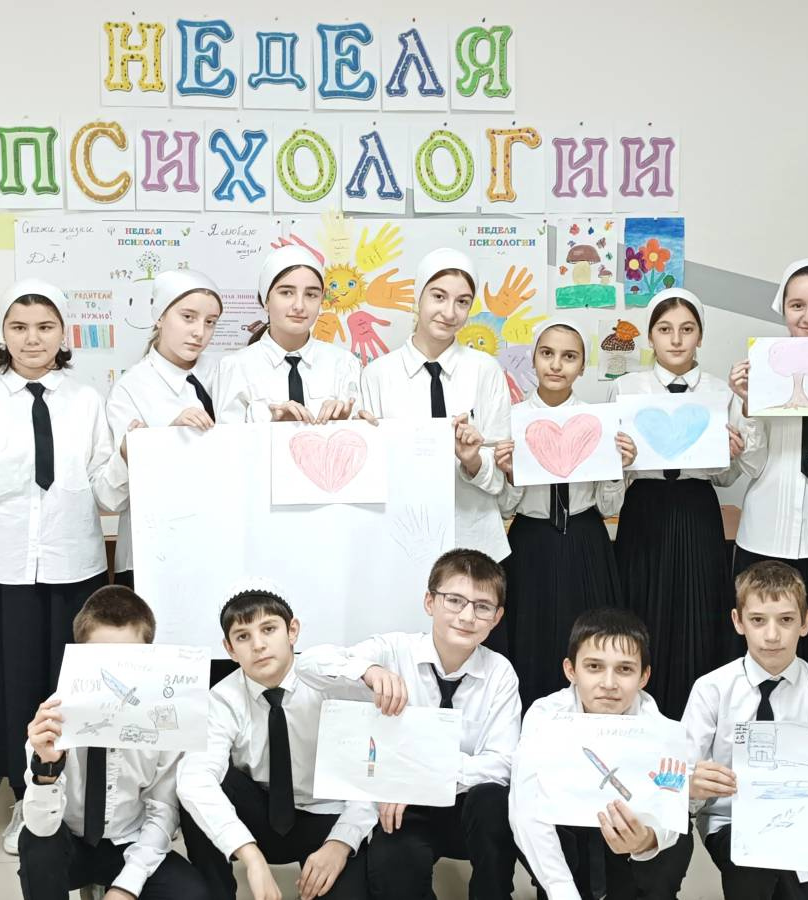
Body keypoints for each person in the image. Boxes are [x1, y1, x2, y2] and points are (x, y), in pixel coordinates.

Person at [0, 279, 124, 852]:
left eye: (45, 327)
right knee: (15, 691)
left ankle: (78, 798)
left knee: (72, 692)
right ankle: (27, 798)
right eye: (19, 327)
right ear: (3, 333)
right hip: (0, 574)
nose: (32, 339)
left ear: (63, 334)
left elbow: (107, 494)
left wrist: (127, 457)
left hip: (74, 572)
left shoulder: (87, 401)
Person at [297, 548, 522, 900]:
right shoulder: (394, 649)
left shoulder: (500, 673)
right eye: (454, 600)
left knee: (493, 799)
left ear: (497, 617)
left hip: (467, 807)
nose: (467, 616)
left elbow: (502, 764)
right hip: (405, 809)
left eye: (482, 607)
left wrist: (421, 775)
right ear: (429, 602)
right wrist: (368, 671)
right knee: (392, 866)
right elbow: (308, 665)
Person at [684, 560, 808, 899]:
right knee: (754, 872)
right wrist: (692, 783)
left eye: (786, 620)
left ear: (805, 623)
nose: (772, 635)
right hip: (731, 823)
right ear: (738, 622)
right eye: (758, 620)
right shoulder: (711, 690)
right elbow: (677, 776)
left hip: (804, 829)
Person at [177, 580, 374, 900]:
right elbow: (193, 781)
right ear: (229, 649)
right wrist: (251, 857)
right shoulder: (222, 698)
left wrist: (340, 843)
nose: (258, 645)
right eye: (243, 636)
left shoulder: (333, 685)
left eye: (268, 629)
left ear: (292, 631)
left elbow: (369, 777)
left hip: (326, 815)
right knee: (198, 783)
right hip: (261, 814)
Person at [18, 586, 210, 900]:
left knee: (192, 894)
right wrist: (46, 770)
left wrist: (126, 887)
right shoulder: (51, 717)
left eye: (129, 660)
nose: (116, 672)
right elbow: (40, 827)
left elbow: (162, 810)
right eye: (102, 659)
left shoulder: (165, 720)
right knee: (35, 843)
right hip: (66, 842)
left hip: (131, 841)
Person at [609, 288, 744, 719]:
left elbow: (726, 478)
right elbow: (614, 469)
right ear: (650, 336)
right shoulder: (626, 389)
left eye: (687, 329)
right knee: (641, 611)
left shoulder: (721, 392)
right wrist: (619, 459)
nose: (676, 339)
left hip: (697, 509)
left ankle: (696, 724)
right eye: (665, 329)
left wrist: (732, 454)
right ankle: (640, 721)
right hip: (643, 509)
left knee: (699, 615)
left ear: (700, 336)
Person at [727, 259, 808, 680]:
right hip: (765, 535)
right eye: (797, 305)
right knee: (760, 664)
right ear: (782, 309)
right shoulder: (760, 369)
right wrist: (747, 404)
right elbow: (753, 464)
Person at [493, 319, 634, 706]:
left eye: (569, 357)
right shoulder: (511, 419)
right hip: (530, 541)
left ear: (582, 367)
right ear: (534, 359)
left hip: (586, 540)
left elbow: (609, 507)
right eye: (547, 354)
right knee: (529, 636)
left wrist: (618, 469)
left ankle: (592, 719)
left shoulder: (599, 421)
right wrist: (509, 474)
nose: (556, 365)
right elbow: (505, 507)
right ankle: (529, 723)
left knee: (590, 639)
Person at [511, 607, 694, 900]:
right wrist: (561, 890)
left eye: (625, 669)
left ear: (644, 676)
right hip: (567, 844)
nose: (609, 684)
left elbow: (670, 812)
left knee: (679, 835)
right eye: (594, 667)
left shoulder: (660, 729)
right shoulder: (545, 717)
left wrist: (646, 841)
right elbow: (526, 808)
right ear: (571, 670)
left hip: (627, 841)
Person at [360, 250, 513, 563]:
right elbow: (369, 475)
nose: (449, 312)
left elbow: (501, 480)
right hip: (401, 540)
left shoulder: (486, 370)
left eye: (462, 301)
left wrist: (473, 461)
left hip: (475, 539)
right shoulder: (377, 374)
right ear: (418, 297)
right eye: (438, 297)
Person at [104, 269, 223, 589]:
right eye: (188, 317)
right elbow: (109, 498)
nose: (199, 332)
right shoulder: (131, 389)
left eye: (210, 322)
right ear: (159, 317)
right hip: (153, 552)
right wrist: (159, 441)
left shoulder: (226, 373)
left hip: (219, 543)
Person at [214, 245, 361, 425]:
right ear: (266, 300)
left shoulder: (344, 364)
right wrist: (275, 427)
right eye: (286, 293)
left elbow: (360, 437)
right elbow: (228, 441)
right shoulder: (234, 368)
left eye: (311, 294)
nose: (299, 306)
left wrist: (347, 426)